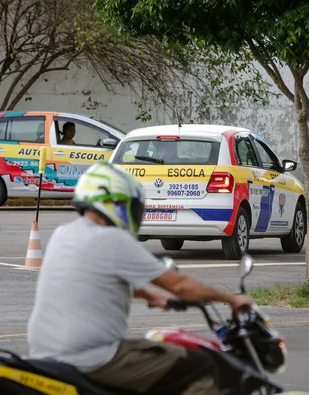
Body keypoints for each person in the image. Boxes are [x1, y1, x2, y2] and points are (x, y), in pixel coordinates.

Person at [27, 161, 252, 395]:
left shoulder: (63, 233)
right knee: (202, 365)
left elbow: (92, 279)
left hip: (44, 352)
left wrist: (148, 295)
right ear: (115, 202)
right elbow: (180, 285)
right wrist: (231, 299)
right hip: (94, 357)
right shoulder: (113, 240)